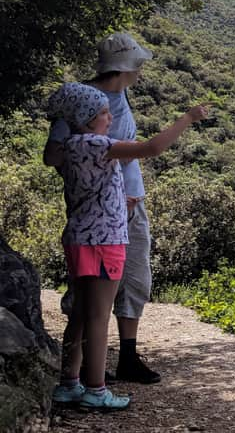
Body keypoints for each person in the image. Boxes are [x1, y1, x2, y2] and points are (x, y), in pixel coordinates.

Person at [49, 82, 208, 409]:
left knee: (79, 314)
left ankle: (69, 384)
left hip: (80, 237)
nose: (110, 117)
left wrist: (121, 202)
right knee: (98, 316)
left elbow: (91, 191)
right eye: (104, 112)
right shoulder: (98, 144)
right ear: (88, 118)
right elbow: (152, 148)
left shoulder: (70, 147)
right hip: (105, 242)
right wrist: (187, 118)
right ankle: (96, 390)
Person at [44, 33, 162, 384]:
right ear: (126, 68)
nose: (141, 70)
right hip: (100, 213)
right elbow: (53, 155)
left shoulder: (119, 93)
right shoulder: (85, 103)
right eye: (137, 64)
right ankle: (81, 373)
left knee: (136, 277)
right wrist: (96, 175)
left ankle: (126, 356)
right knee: (88, 293)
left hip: (131, 203)